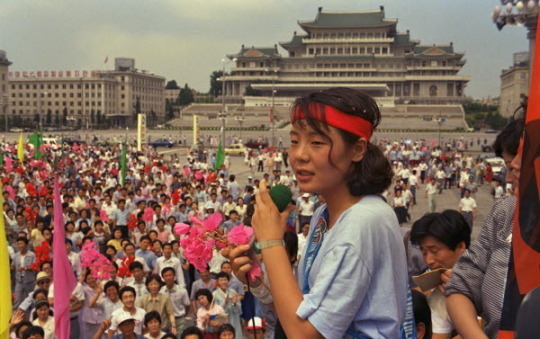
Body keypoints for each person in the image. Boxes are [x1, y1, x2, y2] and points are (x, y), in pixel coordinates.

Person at [226, 88, 409, 338]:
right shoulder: (325, 214)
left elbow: (304, 334)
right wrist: (257, 280)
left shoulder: (363, 221)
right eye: (294, 141)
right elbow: (302, 312)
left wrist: (271, 243)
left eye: (317, 142)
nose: (299, 155)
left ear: (357, 150)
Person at [446, 119, 524, 338]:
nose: (508, 178)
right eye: (509, 166)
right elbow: (462, 284)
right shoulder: (506, 212)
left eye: (514, 167)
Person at [409, 210, 471, 338]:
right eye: (424, 252)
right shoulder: (439, 294)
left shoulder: (491, 274)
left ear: (460, 246)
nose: (428, 261)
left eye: (434, 251)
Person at [160, 267, 191, 337]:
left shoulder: (182, 290)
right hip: (166, 320)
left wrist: (183, 315)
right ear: (163, 278)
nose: (168, 278)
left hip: (179, 319)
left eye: (170, 275)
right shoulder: (161, 291)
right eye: (166, 276)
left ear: (174, 276)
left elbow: (187, 305)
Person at [212, 273, 242, 339]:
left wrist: (234, 304)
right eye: (221, 280)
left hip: (234, 319)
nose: (223, 282)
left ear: (228, 281)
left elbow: (239, 310)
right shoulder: (214, 294)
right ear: (218, 282)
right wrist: (224, 303)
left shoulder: (233, 292)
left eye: (225, 280)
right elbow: (215, 312)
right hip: (222, 322)